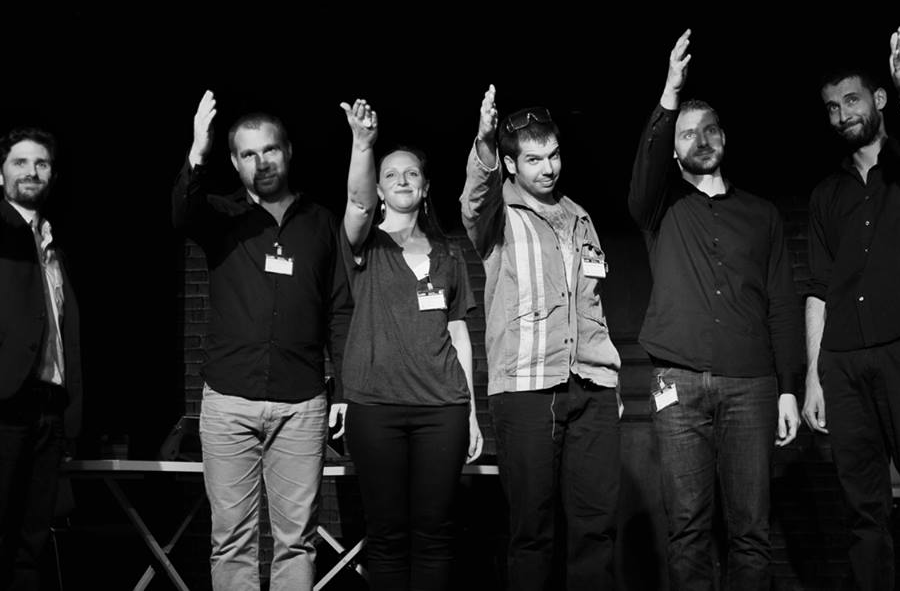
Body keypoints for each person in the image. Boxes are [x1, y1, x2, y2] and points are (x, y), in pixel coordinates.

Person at [628, 29, 804, 590]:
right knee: (688, 529)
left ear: (724, 137)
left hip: (751, 384)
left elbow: (782, 303)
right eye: (687, 133)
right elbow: (644, 172)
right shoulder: (659, 206)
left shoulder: (762, 214)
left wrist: (789, 388)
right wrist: (670, 91)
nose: (700, 140)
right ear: (672, 147)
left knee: (751, 531)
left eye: (709, 130)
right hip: (677, 382)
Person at [172, 91, 351, 590]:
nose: (261, 161)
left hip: (302, 404)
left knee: (297, 541)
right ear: (234, 162)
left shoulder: (321, 222)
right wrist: (197, 150)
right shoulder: (218, 216)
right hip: (229, 401)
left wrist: (344, 390)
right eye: (248, 154)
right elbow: (180, 214)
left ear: (287, 151)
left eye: (269, 149)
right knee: (232, 540)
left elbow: (340, 309)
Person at [803, 27, 900, 590]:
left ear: (879, 99)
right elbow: (818, 289)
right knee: (863, 511)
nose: (842, 114)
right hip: (843, 366)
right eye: (832, 107)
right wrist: (813, 376)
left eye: (852, 100)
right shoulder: (826, 195)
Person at [460, 85, 621, 591]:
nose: (548, 168)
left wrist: (609, 378)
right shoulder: (496, 215)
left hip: (591, 384)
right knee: (533, 531)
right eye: (533, 159)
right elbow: (474, 198)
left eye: (553, 155)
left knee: (596, 527)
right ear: (511, 164)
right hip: (528, 388)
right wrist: (484, 142)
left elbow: (592, 303)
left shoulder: (580, 217)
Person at [329, 98, 482, 591]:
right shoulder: (363, 245)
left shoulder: (448, 254)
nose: (401, 180)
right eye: (390, 175)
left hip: (443, 408)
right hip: (376, 409)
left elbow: (458, 334)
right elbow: (356, 206)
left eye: (411, 173)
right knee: (388, 535)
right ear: (378, 188)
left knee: (435, 534)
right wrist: (363, 144)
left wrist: (471, 411)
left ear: (425, 186)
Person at [0, 127, 82, 590]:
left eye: (42, 163)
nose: (32, 171)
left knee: (32, 543)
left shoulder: (52, 244)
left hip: (48, 409)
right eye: (20, 162)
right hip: (5, 404)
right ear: (0, 174)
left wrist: (70, 416)